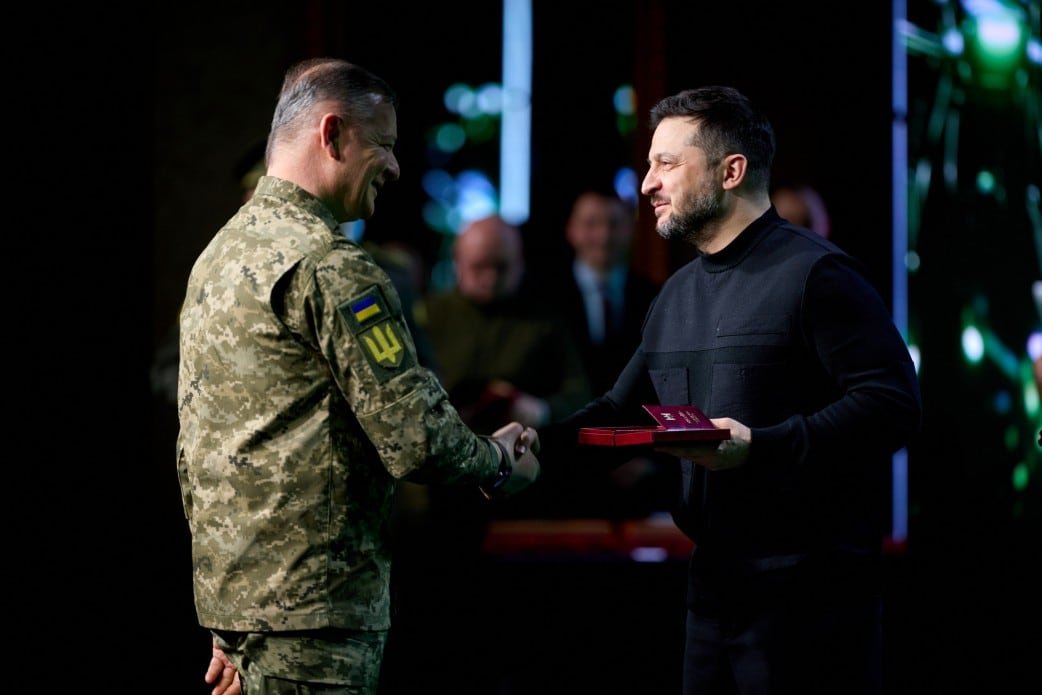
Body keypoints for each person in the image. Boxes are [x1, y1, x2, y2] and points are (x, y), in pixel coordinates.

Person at [537, 86, 922, 694]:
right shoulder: (675, 294)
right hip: (712, 592)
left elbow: (894, 405)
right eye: (649, 165)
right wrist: (523, 450)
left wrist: (759, 447)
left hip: (813, 598)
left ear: (731, 171)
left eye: (666, 164)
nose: (647, 184)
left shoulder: (817, 273)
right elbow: (618, 411)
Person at [177, 57, 541, 694]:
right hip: (318, 613)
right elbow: (416, 438)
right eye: (384, 144)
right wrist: (499, 462)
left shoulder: (217, 257)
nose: (395, 167)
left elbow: (200, 446)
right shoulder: (331, 265)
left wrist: (230, 617)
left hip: (242, 612)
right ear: (333, 134)